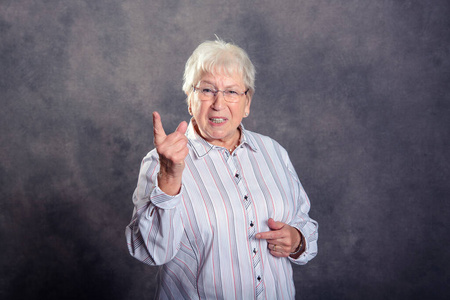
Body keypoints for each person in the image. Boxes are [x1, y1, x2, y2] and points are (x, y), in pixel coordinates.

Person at [125, 38, 318, 299]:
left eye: (231, 92)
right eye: (207, 90)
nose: (218, 103)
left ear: (246, 102)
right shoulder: (162, 162)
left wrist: (297, 240)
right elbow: (152, 252)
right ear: (190, 99)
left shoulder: (273, 152)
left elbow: (304, 223)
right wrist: (169, 176)